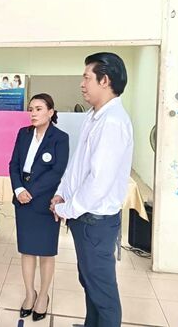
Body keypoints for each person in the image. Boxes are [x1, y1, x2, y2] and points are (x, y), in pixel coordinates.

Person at [50, 52, 133, 327]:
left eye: (87, 78)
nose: (82, 84)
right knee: (90, 283)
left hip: (96, 221)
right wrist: (62, 192)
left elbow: (99, 182)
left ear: (104, 80)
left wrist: (66, 209)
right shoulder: (94, 116)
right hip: (84, 219)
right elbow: (78, 165)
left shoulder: (113, 122)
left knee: (103, 291)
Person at [9, 93, 69, 322]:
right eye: (31, 109)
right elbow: (14, 164)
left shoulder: (60, 138)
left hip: (45, 201)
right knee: (27, 250)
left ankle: (43, 295)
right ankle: (29, 294)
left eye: (39, 109)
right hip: (22, 198)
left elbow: (57, 171)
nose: (33, 113)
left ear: (51, 112)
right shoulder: (23, 134)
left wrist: (31, 191)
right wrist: (18, 189)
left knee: (45, 251)